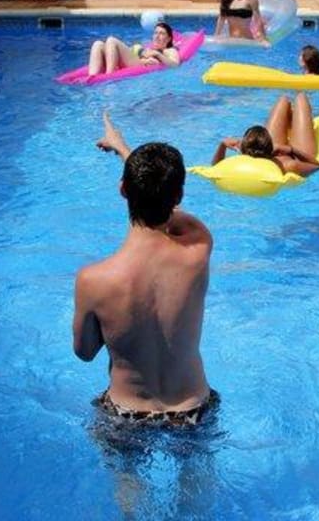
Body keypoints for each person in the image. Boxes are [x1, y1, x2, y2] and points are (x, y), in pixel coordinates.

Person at [74, 113, 217, 426]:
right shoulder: (198, 247)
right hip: (192, 408)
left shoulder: (93, 280)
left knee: (118, 458)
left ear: (122, 190)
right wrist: (124, 150)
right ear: (178, 196)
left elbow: (84, 353)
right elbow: (169, 206)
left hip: (126, 412)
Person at [211, 92, 319, 176]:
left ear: (243, 149)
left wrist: (222, 145)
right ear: (270, 145)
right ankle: (293, 119)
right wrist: (291, 150)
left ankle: (291, 119)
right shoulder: (289, 166)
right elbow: (316, 166)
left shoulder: (241, 160)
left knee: (283, 100)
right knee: (301, 98)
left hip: (271, 150)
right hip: (297, 155)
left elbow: (216, 168)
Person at [88, 22, 181, 76]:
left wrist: (157, 55)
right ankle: (92, 76)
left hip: (138, 65)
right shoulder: (150, 48)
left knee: (111, 40)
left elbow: (175, 65)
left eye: (161, 33)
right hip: (138, 61)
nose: (157, 36)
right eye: (155, 33)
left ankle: (109, 76)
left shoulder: (169, 50)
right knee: (98, 44)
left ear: (168, 39)